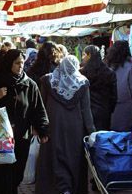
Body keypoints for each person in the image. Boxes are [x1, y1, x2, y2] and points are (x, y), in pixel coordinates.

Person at [0, 49, 49, 194]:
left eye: (22, 63)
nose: (20, 66)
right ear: (8, 63)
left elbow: (38, 109)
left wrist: (42, 129)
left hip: (21, 137)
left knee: (17, 174)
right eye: (17, 63)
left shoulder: (30, 85)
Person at [36, 55, 95, 194]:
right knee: (72, 157)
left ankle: (54, 188)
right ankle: (68, 188)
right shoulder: (82, 83)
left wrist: (39, 126)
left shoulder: (48, 80)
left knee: (54, 157)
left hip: (53, 126)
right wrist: (92, 131)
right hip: (74, 128)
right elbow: (86, 110)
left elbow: (41, 105)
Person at [105, 40, 132, 132]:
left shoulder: (106, 66)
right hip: (124, 110)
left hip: (106, 109)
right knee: (123, 141)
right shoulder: (131, 68)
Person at [80, 45, 117, 131]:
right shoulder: (109, 72)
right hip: (104, 111)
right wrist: (110, 109)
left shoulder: (82, 72)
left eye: (84, 54)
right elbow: (114, 95)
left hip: (86, 111)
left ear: (89, 55)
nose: (82, 57)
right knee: (103, 140)